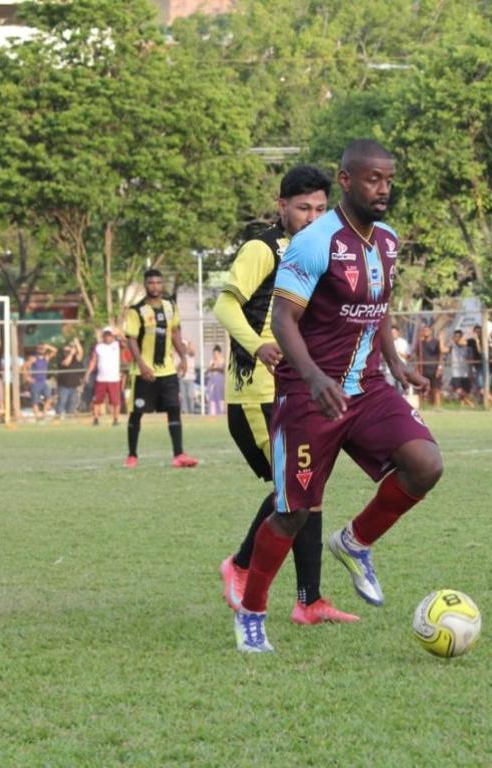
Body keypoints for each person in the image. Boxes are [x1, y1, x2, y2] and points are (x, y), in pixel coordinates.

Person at [233, 139, 442, 652]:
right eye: (374, 179)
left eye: (389, 180)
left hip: (366, 387)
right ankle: (251, 612)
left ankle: (355, 541)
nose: (384, 189)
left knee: (426, 465)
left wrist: (394, 362)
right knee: (292, 511)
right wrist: (312, 376)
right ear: (346, 181)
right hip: (309, 393)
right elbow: (283, 319)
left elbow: (379, 302)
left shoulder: (389, 241)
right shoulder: (313, 241)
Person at [216, 164, 357, 629]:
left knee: (307, 491)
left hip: (298, 391)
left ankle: (309, 601)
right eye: (302, 208)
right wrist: (258, 346)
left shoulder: (325, 252)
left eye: (321, 208)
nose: (313, 217)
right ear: (282, 206)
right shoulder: (263, 247)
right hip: (257, 393)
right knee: (293, 493)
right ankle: (240, 564)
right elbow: (224, 304)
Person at [123, 268, 198, 468]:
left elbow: (174, 333)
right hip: (143, 372)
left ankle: (179, 454)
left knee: (174, 409)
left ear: (162, 284)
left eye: (158, 282)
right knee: (137, 412)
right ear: (145, 285)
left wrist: (183, 357)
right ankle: (132, 455)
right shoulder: (136, 310)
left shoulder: (169, 306)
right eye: (151, 283)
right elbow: (131, 339)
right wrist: (141, 364)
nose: (154, 286)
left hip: (167, 370)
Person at [87, 326, 122, 426]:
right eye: (106, 335)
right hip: (101, 378)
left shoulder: (117, 344)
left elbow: (126, 339)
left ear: (112, 336)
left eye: (109, 335)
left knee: (116, 401)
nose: (108, 337)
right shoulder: (98, 347)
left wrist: (118, 332)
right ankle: (96, 419)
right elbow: (93, 361)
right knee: (97, 400)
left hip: (114, 378)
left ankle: (115, 419)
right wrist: (88, 373)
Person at [55, 335, 86, 419]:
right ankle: (58, 417)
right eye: (66, 351)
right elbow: (66, 363)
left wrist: (77, 343)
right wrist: (71, 354)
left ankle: (70, 418)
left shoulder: (75, 359)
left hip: (73, 386)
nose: (68, 352)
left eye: (69, 351)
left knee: (72, 403)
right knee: (62, 402)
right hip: (63, 386)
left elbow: (80, 352)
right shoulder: (60, 358)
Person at [417, 324, 446, 409]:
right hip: (423, 369)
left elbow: (441, 354)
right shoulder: (420, 343)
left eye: (427, 330)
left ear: (431, 332)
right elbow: (417, 356)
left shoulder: (436, 342)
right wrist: (418, 369)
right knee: (423, 389)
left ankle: (437, 407)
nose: (425, 332)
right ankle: (424, 407)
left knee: (436, 389)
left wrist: (439, 368)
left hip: (434, 369)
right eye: (424, 330)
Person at [27, 343, 56, 420]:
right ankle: (37, 417)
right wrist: (28, 377)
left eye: (42, 348)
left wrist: (47, 346)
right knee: (35, 401)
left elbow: (55, 350)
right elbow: (25, 367)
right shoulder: (33, 358)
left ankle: (44, 414)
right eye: (40, 348)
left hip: (43, 382)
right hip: (35, 382)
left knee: (49, 398)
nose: (41, 350)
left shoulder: (46, 358)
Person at [447, 329, 475, 407]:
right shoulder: (452, 345)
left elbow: (471, 359)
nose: (457, 338)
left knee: (465, 390)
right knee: (457, 390)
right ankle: (470, 403)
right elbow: (444, 350)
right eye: (455, 336)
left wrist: (471, 371)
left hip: (465, 372)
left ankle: (463, 405)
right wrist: (442, 339)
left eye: (459, 337)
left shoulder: (467, 346)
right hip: (455, 372)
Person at [205, 345, 226, 415]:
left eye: (216, 354)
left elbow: (223, 370)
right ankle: (212, 413)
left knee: (220, 397)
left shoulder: (223, 361)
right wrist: (212, 367)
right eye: (214, 354)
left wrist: (214, 368)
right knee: (212, 398)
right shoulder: (212, 361)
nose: (215, 356)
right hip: (212, 382)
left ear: (219, 353)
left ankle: (221, 411)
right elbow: (208, 370)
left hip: (220, 382)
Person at [179, 340, 198, 414]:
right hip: (182, 378)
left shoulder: (190, 354)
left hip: (190, 378)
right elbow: (178, 366)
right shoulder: (180, 355)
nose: (183, 347)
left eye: (184, 346)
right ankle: (185, 412)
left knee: (190, 396)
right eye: (182, 346)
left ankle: (191, 411)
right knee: (183, 397)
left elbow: (192, 351)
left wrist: (190, 344)